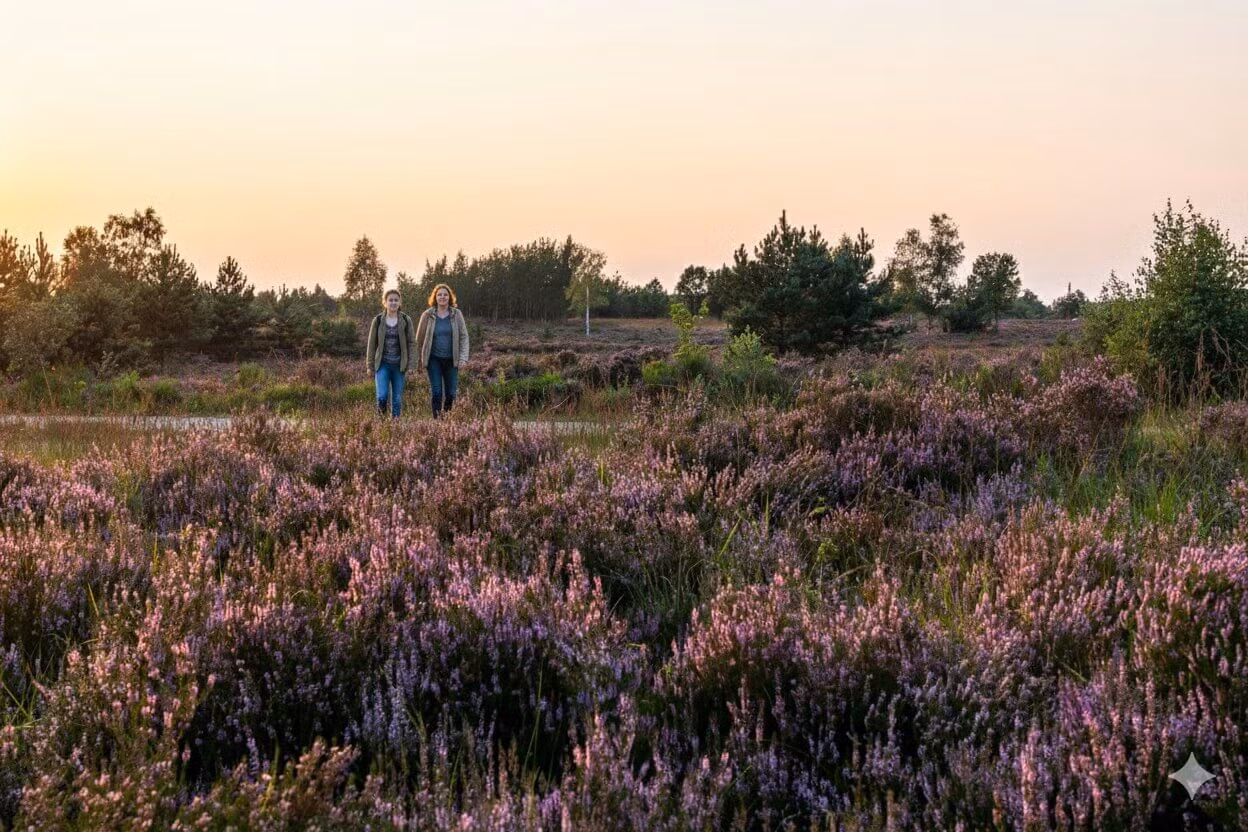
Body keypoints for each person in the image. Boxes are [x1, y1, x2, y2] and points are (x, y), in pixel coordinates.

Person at [415, 283, 470, 417]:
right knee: (437, 393)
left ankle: (446, 420)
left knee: (451, 394)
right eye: (439, 294)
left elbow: (464, 337)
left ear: (449, 297)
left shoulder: (456, 314)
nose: (442, 297)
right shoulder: (427, 315)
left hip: (452, 360)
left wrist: (463, 358)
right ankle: (437, 422)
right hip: (433, 359)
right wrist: (418, 362)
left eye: (445, 294)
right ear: (435, 297)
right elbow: (419, 339)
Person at [365, 289, 416, 418]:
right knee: (382, 396)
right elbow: (371, 344)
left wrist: (412, 365)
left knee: (397, 400)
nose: (393, 303)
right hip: (383, 365)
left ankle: (395, 425)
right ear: (385, 302)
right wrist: (370, 366)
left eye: (396, 300)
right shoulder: (377, 320)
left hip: (399, 366)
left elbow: (412, 343)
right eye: (390, 300)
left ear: (400, 302)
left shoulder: (406, 320)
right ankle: (381, 425)